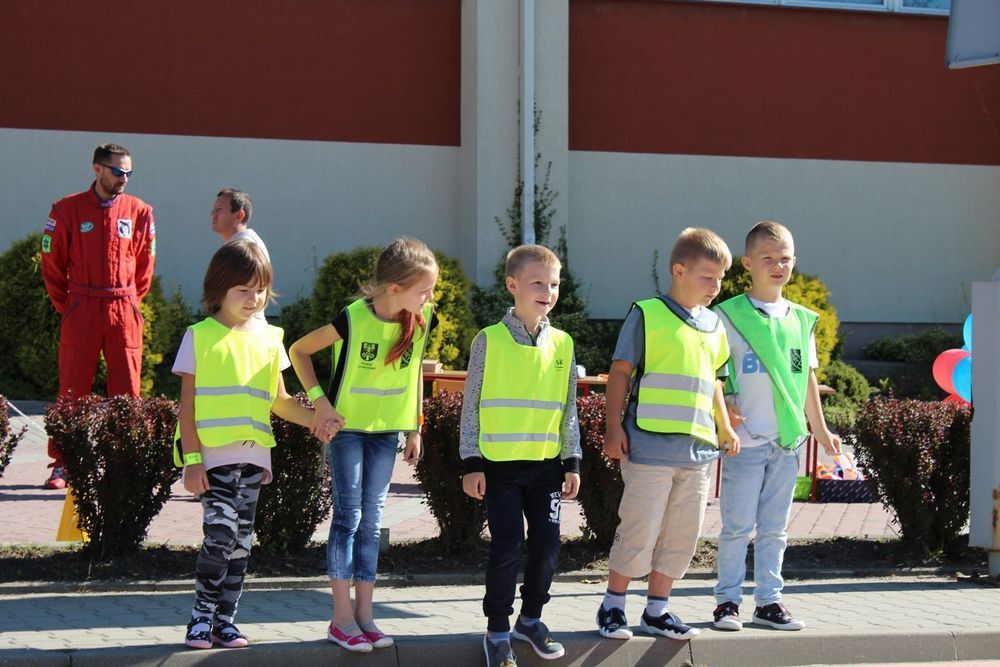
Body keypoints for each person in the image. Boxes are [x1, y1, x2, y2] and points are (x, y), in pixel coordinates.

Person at [174, 240, 334, 650]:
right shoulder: (199, 336)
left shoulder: (270, 337)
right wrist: (192, 461)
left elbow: (280, 402)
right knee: (220, 537)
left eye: (261, 290)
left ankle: (224, 622)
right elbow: (187, 408)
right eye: (243, 290)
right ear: (219, 289)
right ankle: (200, 619)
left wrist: (318, 419)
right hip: (212, 459)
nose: (254, 298)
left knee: (240, 545)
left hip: (253, 458)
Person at [289, 237, 438, 653]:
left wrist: (415, 427)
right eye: (424, 290)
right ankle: (341, 619)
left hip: (387, 432)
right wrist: (321, 405)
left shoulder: (422, 319)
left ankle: (365, 617)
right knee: (349, 517)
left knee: (372, 521)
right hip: (349, 430)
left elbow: (414, 373)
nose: (429, 298)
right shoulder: (353, 318)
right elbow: (299, 352)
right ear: (395, 289)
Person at [597, 227, 740, 642]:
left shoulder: (715, 325)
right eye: (707, 277)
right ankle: (613, 605)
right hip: (649, 448)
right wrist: (612, 428)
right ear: (679, 271)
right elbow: (620, 373)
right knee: (639, 530)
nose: (715, 286)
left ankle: (657, 610)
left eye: (720, 279)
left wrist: (725, 427)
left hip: (698, 453)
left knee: (682, 535)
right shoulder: (647, 313)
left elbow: (714, 382)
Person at [711, 221, 842, 631]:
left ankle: (769, 602)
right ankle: (727, 602)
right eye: (767, 257)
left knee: (775, 529)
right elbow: (713, 374)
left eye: (784, 258)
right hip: (744, 441)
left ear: (794, 262)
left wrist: (821, 429)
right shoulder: (727, 315)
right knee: (736, 527)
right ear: (748, 263)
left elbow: (806, 380)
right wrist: (724, 411)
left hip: (787, 442)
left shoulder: (801, 320)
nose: (777, 265)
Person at [460, 244, 582, 667]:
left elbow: (568, 407)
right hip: (499, 467)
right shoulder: (488, 340)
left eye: (554, 284)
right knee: (508, 546)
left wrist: (572, 460)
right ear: (512, 285)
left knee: (547, 545)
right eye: (537, 283)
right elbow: (471, 404)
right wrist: (471, 461)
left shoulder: (563, 343)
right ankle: (497, 631)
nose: (548, 291)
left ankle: (530, 620)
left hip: (546, 467)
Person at [40, 143, 156, 489]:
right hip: (83, 306)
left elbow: (145, 267)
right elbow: (52, 263)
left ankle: (126, 464)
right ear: (97, 169)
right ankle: (64, 464)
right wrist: (70, 306)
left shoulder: (139, 211)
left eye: (129, 173)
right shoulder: (67, 209)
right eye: (118, 171)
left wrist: (129, 302)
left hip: (123, 307)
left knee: (127, 390)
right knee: (72, 388)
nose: (124, 178)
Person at [210, 189, 269, 261]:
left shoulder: (244, 249)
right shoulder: (240, 244)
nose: (212, 214)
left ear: (239, 216)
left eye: (219, 210)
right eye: (214, 209)